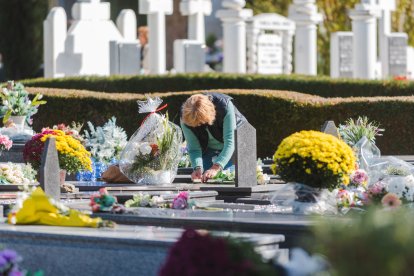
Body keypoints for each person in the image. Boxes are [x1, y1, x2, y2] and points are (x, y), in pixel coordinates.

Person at [180, 93, 247, 182]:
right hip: (209, 148)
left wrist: (216, 167)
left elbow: (230, 143)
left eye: (199, 123)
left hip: (237, 145)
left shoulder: (224, 106)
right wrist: (197, 168)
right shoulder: (185, 117)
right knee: (206, 177)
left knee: (231, 177)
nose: (197, 127)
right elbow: (194, 148)